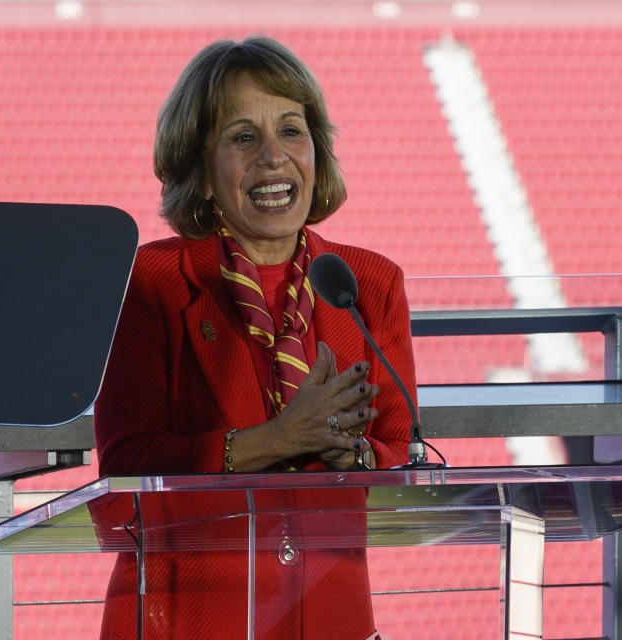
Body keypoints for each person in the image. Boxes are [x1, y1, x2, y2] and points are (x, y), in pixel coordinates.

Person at [93, 36, 417, 640]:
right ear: (203, 172)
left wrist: (359, 457)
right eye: (244, 138)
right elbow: (122, 475)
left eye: (292, 132)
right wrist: (277, 440)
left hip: (333, 619)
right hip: (185, 621)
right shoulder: (152, 281)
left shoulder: (368, 284)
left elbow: (404, 452)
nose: (275, 157)